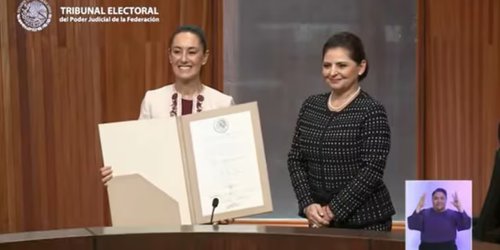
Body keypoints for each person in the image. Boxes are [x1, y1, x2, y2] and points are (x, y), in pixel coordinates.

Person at [287, 32, 395, 231]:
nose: (332, 72)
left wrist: (333, 210)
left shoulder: (372, 110)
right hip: (319, 219)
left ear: (361, 67)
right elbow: (295, 159)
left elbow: (372, 169)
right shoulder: (311, 106)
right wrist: (307, 203)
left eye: (342, 65)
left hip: (367, 223)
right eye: (327, 65)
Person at [100, 24, 234, 184]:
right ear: (170, 56)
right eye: (177, 51)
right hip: (163, 194)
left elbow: (231, 160)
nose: (183, 58)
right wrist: (117, 172)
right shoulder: (152, 100)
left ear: (204, 57)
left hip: (208, 195)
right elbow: (139, 152)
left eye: (192, 52)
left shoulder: (223, 103)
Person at [407, 188, 472, 250]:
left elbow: (466, 225)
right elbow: (412, 225)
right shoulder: (424, 213)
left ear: (446, 200)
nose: (439, 201)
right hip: (426, 247)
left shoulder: (453, 214)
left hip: (449, 247)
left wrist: (460, 208)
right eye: (436, 198)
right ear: (432, 200)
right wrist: (418, 206)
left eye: (442, 198)